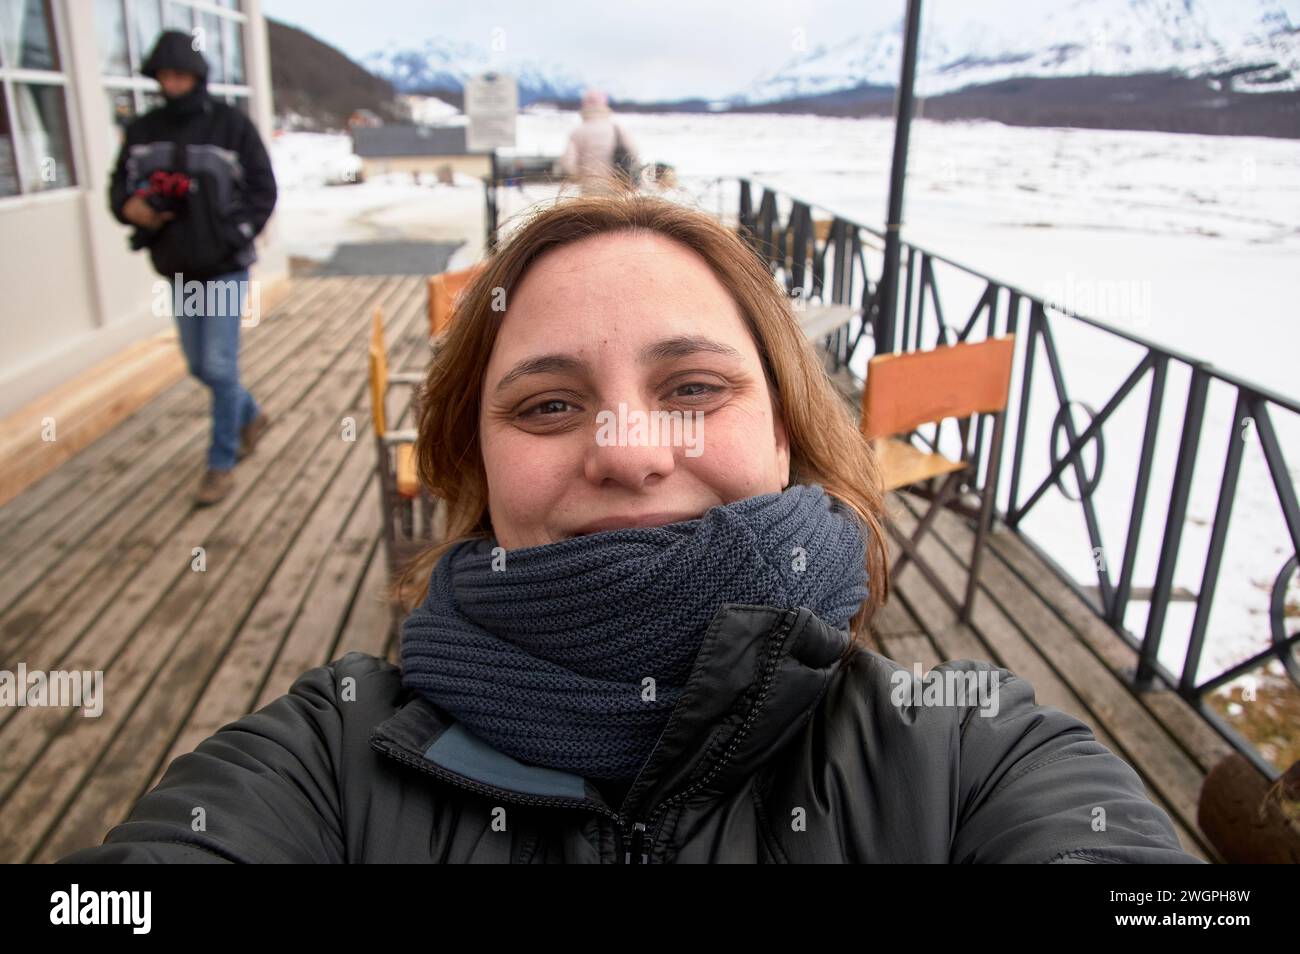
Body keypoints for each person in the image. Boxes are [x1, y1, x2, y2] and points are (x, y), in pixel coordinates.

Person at [56, 193, 1202, 864]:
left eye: (693, 387)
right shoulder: (329, 762)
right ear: (477, 472)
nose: (627, 451)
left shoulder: (966, 759)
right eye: (549, 405)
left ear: (791, 434)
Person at [109, 30, 277, 506]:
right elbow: (117, 187)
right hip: (177, 267)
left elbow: (263, 189)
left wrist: (237, 233)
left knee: (221, 364)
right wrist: (129, 208)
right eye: (165, 75)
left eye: (181, 73)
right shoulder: (143, 130)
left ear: (198, 76)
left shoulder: (231, 125)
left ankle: (220, 464)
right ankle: (251, 414)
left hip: (224, 265)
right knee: (200, 366)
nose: (173, 82)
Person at [556, 88, 640, 196]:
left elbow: (568, 163)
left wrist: (580, 177)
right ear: (604, 105)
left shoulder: (578, 131)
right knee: (616, 212)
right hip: (617, 185)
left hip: (590, 188)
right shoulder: (616, 128)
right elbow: (634, 153)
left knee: (592, 213)